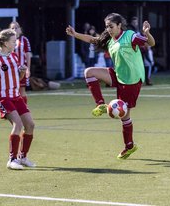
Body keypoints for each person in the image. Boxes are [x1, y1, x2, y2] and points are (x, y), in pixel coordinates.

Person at [66, 13, 155, 159]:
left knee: (125, 116)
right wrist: (75, 34)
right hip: (118, 75)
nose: (108, 29)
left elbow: (150, 43)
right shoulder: (110, 40)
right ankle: (100, 104)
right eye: (107, 26)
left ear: (119, 25)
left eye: (111, 26)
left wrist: (147, 33)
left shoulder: (130, 36)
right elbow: (93, 39)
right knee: (89, 72)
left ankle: (129, 146)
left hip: (131, 81)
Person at [0, 29, 36, 170]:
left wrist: (22, 72)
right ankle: (12, 160)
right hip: (2, 97)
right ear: (5, 43)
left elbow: (18, 78)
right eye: (13, 41)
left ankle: (23, 157)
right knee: (18, 125)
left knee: (30, 125)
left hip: (15, 96)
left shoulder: (14, 56)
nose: (15, 43)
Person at [9, 22, 32, 104]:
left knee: (22, 90)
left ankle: (24, 109)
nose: (14, 29)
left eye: (16, 28)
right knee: (13, 90)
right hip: (11, 69)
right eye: (12, 28)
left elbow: (28, 54)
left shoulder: (24, 40)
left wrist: (28, 69)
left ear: (20, 29)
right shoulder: (8, 41)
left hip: (21, 69)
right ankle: (16, 109)